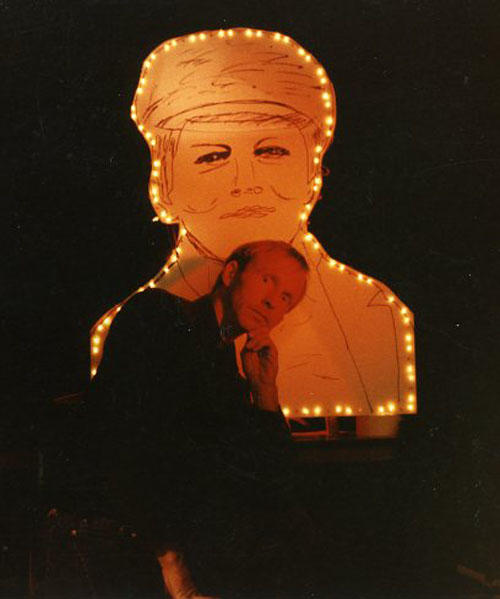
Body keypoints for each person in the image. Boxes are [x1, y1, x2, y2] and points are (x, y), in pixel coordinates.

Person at [91, 28, 416, 425]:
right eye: (212, 157)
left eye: (272, 151)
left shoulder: (374, 312)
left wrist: (265, 395)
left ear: (314, 173)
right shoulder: (147, 320)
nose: (246, 182)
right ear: (163, 185)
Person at [82, 240, 323, 599]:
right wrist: (170, 557)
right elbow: (129, 435)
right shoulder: (160, 314)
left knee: (298, 528)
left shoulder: (232, 376)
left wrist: (265, 392)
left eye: (287, 297)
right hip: (138, 532)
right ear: (231, 273)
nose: (273, 301)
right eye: (267, 281)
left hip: (198, 540)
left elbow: (276, 483)